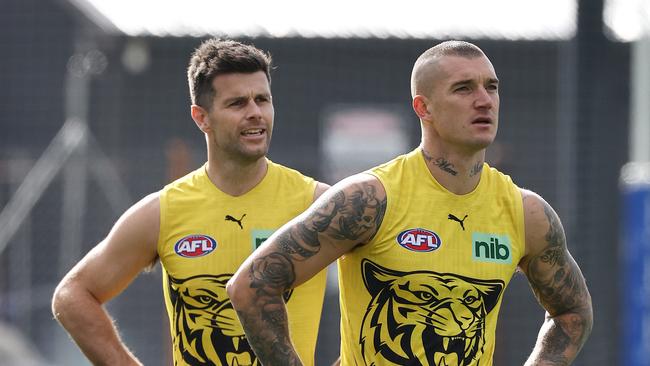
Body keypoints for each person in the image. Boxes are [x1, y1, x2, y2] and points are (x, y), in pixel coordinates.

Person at [227, 40, 593, 365]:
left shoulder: (525, 212)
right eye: (463, 89)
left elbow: (572, 312)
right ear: (424, 107)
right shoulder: (370, 198)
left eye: (491, 87)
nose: (484, 100)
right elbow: (251, 285)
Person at [51, 38, 330, 366]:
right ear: (201, 118)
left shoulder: (318, 203)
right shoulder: (164, 211)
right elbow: (72, 296)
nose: (255, 113)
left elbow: (386, 276)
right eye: (237, 103)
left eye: (262, 100)